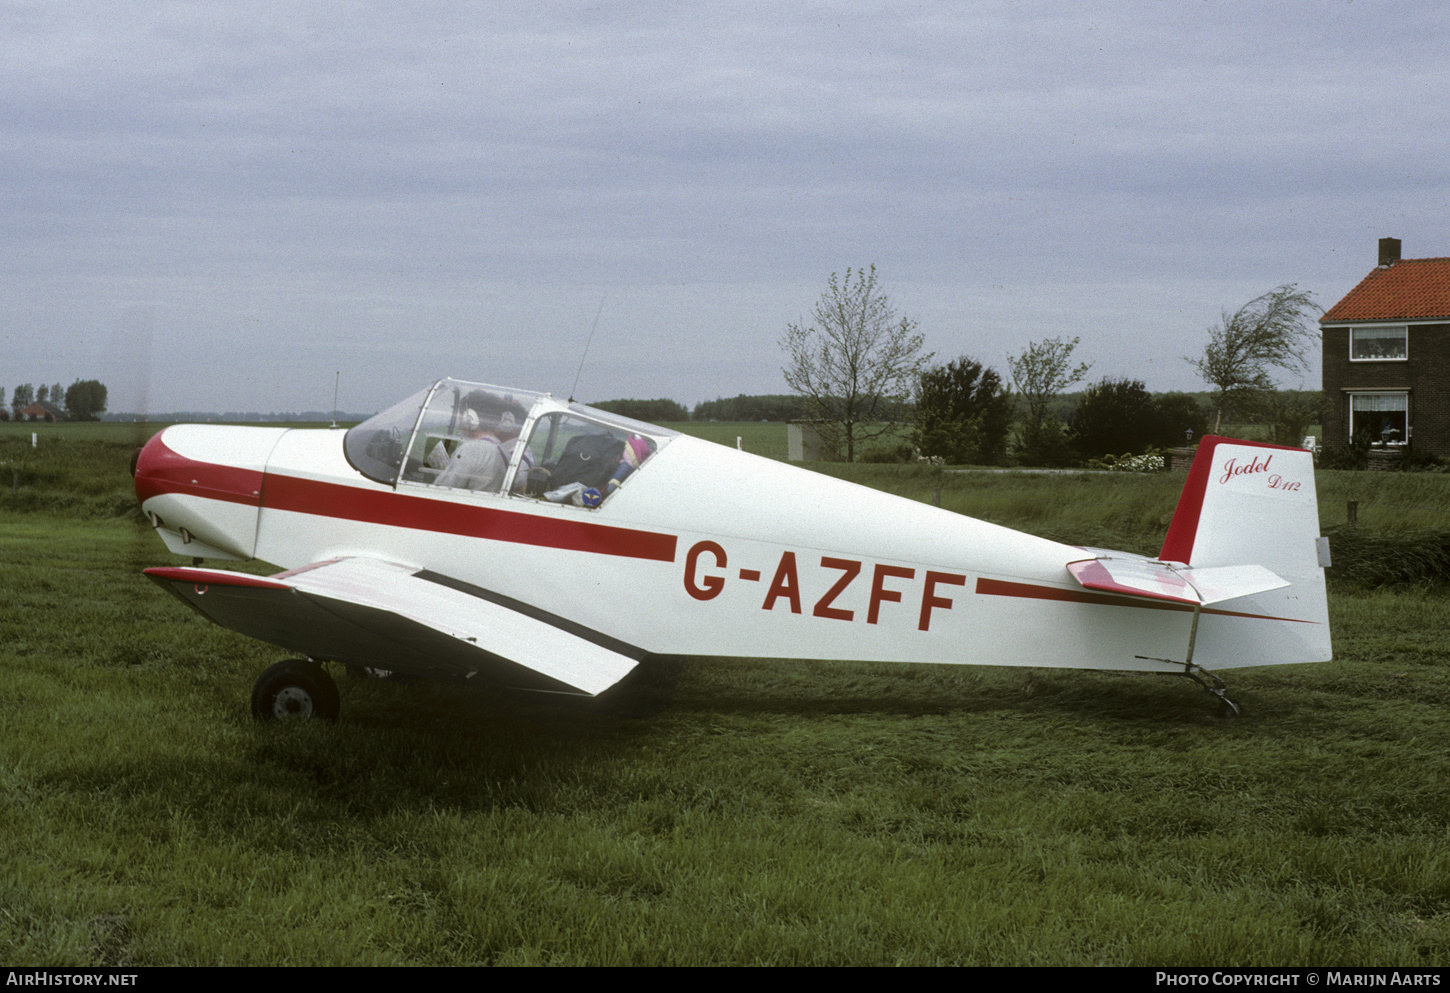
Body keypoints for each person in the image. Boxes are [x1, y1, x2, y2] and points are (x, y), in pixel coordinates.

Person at [435, 391, 530, 492]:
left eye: (461, 419)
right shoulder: (503, 450)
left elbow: (441, 489)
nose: (459, 425)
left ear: (470, 419)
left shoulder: (472, 449)